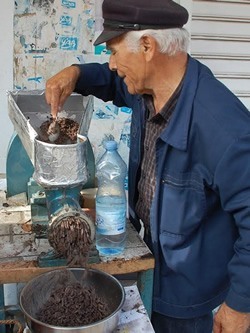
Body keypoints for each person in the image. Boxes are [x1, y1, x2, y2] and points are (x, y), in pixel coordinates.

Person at [45, 0, 250, 332]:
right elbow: (111, 82)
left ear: (147, 46)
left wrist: (240, 305)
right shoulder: (146, 89)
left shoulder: (224, 129)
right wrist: (77, 73)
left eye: (113, 51)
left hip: (187, 296)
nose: (111, 64)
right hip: (149, 263)